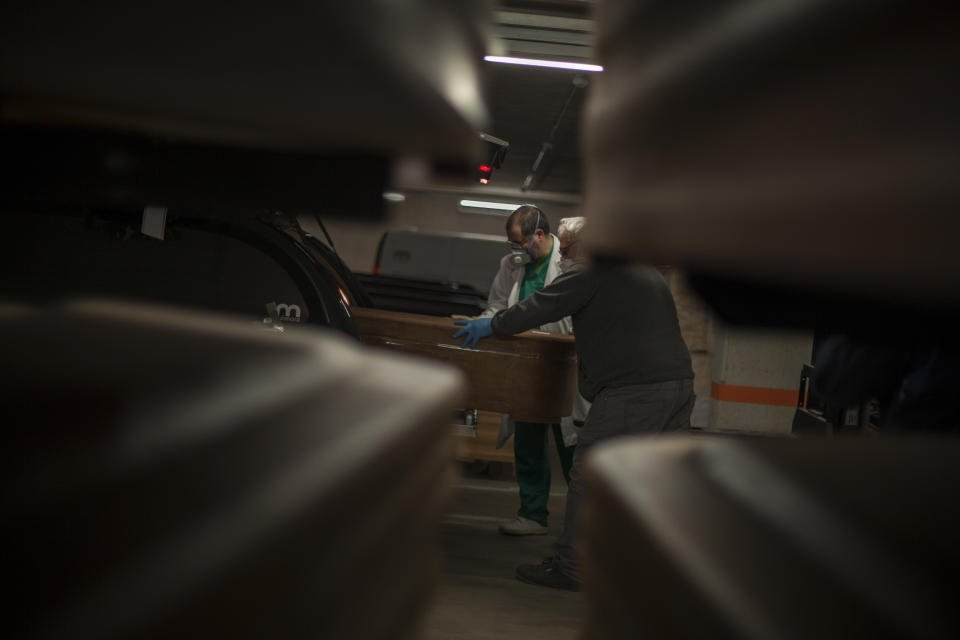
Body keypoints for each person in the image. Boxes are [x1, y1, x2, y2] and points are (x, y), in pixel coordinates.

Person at [453, 260, 695, 591]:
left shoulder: (594, 272)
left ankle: (572, 567)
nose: (565, 258)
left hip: (635, 390)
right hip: (678, 384)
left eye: (568, 248)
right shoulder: (646, 271)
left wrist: (494, 324)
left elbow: (540, 306)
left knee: (592, 473)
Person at [473, 206, 578, 537]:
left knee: (570, 446)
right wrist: (485, 321)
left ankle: (581, 526)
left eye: (519, 243)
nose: (515, 250)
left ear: (541, 235)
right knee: (529, 442)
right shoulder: (511, 265)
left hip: (565, 364)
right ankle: (532, 514)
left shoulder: (571, 262)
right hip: (527, 365)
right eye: (511, 244)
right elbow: (497, 304)